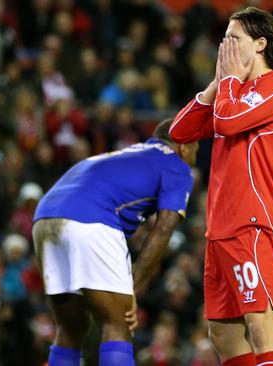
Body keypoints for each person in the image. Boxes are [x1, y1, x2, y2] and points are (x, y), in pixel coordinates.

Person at [169, 7, 273, 366]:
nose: (224, 47)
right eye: (222, 39)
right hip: (220, 229)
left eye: (233, 38)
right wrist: (216, 84)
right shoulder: (232, 90)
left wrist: (226, 84)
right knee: (222, 332)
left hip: (251, 224)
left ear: (260, 43)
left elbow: (226, 121)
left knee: (260, 326)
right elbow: (179, 132)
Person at [33, 118, 198, 366]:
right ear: (184, 147)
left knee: (71, 327)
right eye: (195, 149)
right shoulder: (176, 165)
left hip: (44, 217)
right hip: (89, 218)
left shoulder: (129, 153)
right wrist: (134, 286)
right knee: (119, 323)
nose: (195, 155)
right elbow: (163, 230)